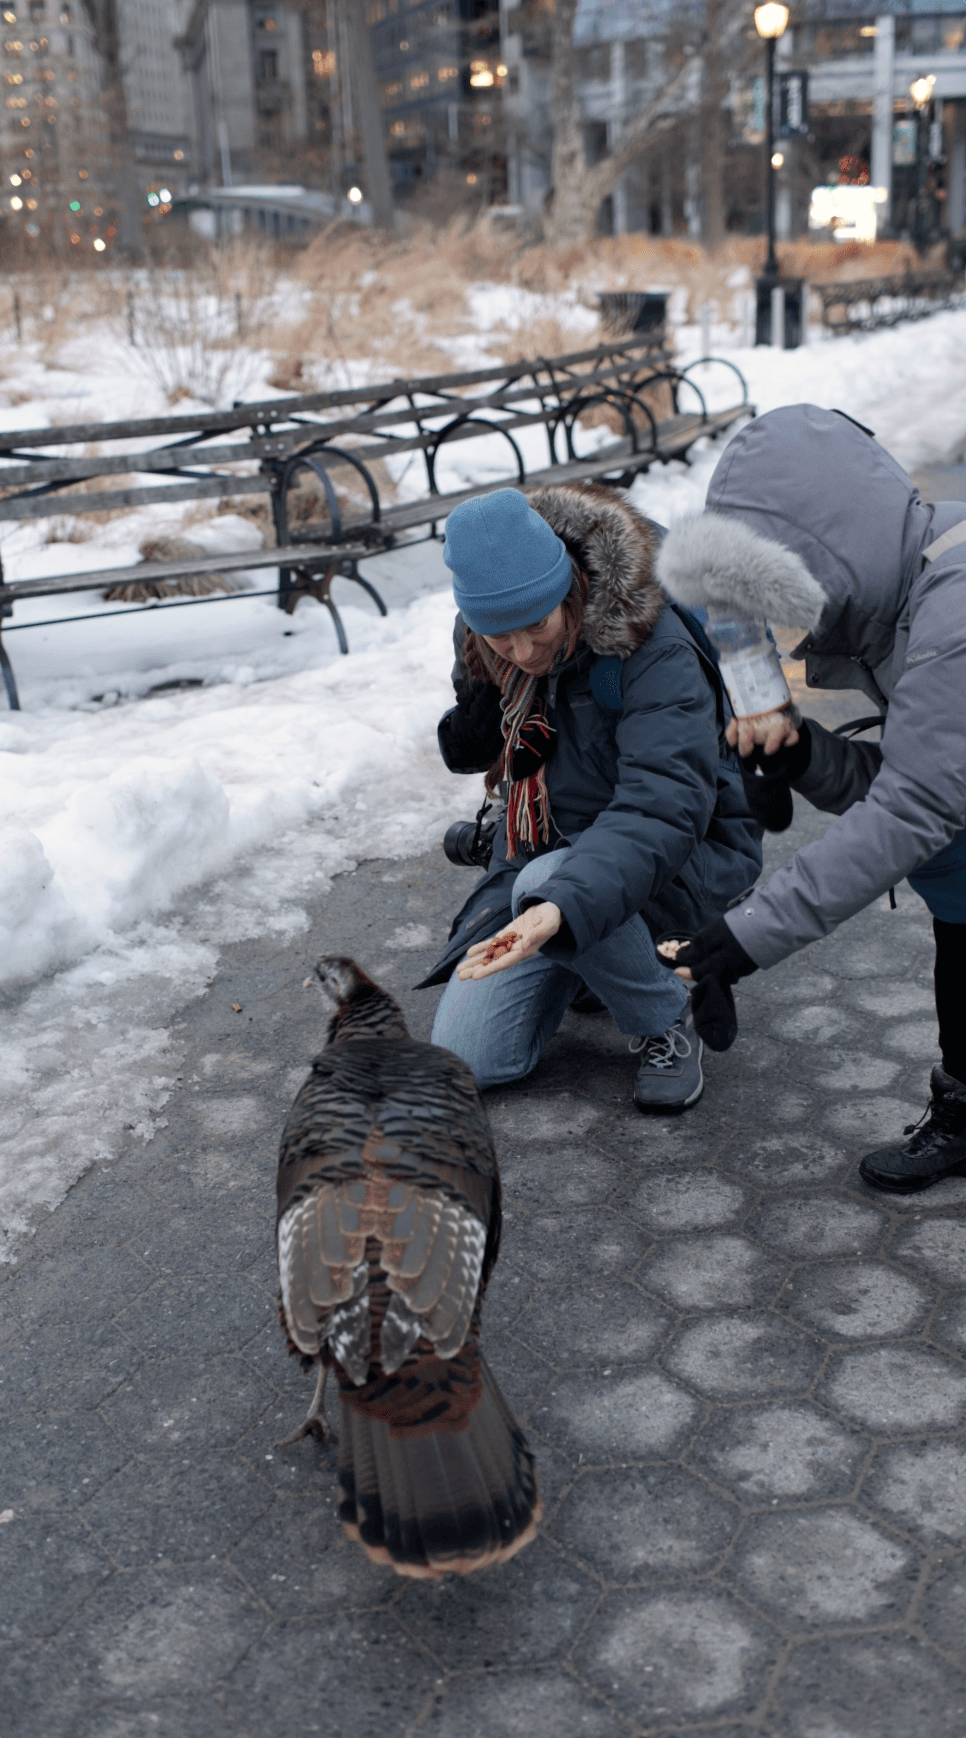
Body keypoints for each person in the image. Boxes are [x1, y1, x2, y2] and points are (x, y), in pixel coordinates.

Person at [656, 403, 966, 1193]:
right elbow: (920, 780)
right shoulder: (916, 590)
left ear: (825, 547)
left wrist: (747, 934)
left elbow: (913, 809)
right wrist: (803, 755)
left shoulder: (955, 611)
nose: (790, 628)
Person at [418, 482, 763, 1112]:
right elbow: (486, 748)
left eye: (537, 626)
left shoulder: (650, 642)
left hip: (678, 856)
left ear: (567, 587)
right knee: (469, 1058)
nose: (523, 653)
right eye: (501, 638)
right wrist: (477, 707)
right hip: (547, 856)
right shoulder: (483, 636)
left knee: (549, 880)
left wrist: (558, 905)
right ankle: (592, 953)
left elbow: (664, 803)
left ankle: (665, 1018)